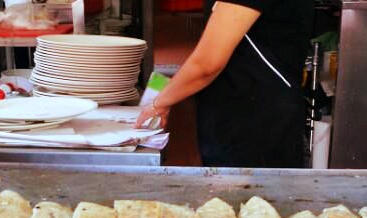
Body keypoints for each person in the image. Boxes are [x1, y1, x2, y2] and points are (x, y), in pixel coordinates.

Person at [134, 0, 313, 168]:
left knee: (248, 197)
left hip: (255, 119)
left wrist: (160, 103)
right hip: (250, 108)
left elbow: (207, 64)